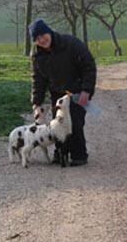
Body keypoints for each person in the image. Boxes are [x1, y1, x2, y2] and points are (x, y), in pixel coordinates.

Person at [29, 18, 97, 167]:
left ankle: (79, 155)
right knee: (58, 124)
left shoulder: (71, 43)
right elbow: (37, 79)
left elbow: (89, 66)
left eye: (43, 35)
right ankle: (60, 154)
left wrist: (86, 90)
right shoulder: (36, 55)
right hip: (57, 93)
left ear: (49, 31)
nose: (42, 40)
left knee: (75, 123)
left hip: (76, 91)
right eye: (37, 39)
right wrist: (36, 103)